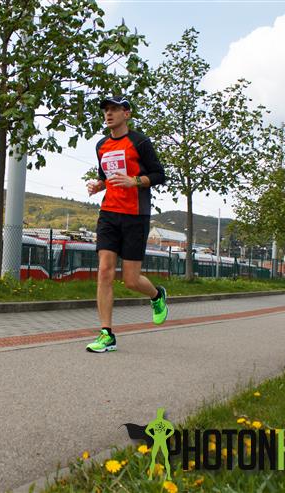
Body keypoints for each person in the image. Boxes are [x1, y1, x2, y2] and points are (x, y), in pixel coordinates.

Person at [85, 95, 167, 352]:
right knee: (105, 271)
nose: (108, 114)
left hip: (135, 215)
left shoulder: (140, 142)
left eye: (114, 109)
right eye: (106, 110)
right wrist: (99, 185)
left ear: (127, 114)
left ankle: (157, 296)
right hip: (109, 213)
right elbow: (106, 176)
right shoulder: (101, 145)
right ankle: (106, 335)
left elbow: (159, 174)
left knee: (130, 280)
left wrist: (135, 181)